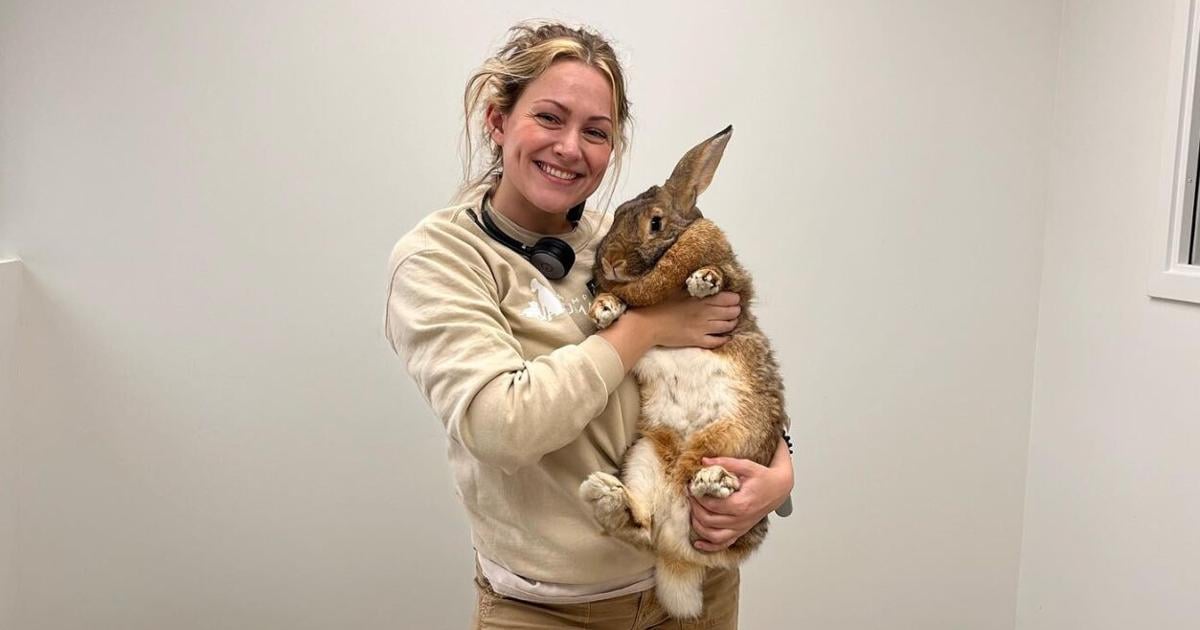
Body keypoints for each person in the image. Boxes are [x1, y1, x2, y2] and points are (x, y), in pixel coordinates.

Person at [383, 20, 794, 629]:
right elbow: (502, 428)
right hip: (552, 611)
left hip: (696, 586)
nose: (570, 148)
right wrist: (645, 329)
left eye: (595, 131)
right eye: (549, 117)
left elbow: (734, 359)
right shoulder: (440, 260)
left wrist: (778, 477)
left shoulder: (620, 238)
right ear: (498, 120)